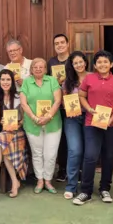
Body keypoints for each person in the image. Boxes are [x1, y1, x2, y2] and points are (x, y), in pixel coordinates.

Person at [73, 50, 113, 206]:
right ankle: (86, 191)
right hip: (92, 122)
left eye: (106, 62)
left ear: (111, 64)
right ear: (95, 65)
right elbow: (81, 96)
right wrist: (89, 109)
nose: (102, 64)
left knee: (109, 156)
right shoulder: (89, 79)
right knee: (90, 156)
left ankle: (105, 188)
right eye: (99, 62)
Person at [20, 58, 62, 194]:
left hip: (52, 123)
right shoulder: (26, 82)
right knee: (37, 153)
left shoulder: (52, 81)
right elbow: (24, 103)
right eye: (35, 67)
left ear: (45, 69)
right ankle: (40, 179)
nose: (38, 69)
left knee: (50, 154)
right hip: (33, 123)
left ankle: (48, 180)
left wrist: (48, 116)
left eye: (41, 67)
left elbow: (57, 101)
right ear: (31, 69)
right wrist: (34, 117)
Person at [0, 69, 28, 197]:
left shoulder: (19, 96)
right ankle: (15, 182)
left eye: (8, 79)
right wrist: (1, 121)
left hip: (18, 132)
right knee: (3, 142)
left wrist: (16, 124)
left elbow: (24, 119)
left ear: (12, 81)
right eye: (3, 79)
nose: (5, 82)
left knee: (2, 140)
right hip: (3, 133)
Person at [62, 51, 89, 199]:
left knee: (88, 152)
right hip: (72, 118)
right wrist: (68, 106)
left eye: (81, 61)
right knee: (75, 150)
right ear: (72, 65)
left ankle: (85, 186)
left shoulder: (93, 77)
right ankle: (71, 186)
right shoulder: (68, 81)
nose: (79, 65)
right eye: (75, 63)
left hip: (90, 117)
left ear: (85, 62)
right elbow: (63, 100)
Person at [47, 34, 70, 183]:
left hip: (71, 104)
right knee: (60, 138)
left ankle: (76, 169)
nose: (59, 45)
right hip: (56, 105)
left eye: (62, 42)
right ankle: (61, 168)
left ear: (68, 44)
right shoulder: (51, 62)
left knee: (73, 138)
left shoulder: (74, 59)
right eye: (56, 43)